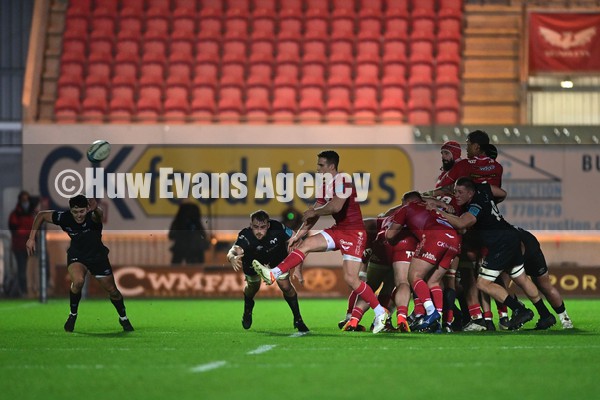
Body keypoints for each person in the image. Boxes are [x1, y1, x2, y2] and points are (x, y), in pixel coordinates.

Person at [252, 150, 390, 334]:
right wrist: (298, 235)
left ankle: (380, 312)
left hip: (354, 234)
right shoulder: (325, 186)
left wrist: (315, 212)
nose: (318, 169)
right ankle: (273, 274)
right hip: (339, 230)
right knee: (305, 245)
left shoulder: (343, 181)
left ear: (332, 166)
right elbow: (314, 214)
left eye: (321, 165)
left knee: (351, 279)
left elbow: (336, 206)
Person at [433, 177, 556, 330]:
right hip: (511, 237)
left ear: (471, 193)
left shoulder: (474, 205)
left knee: (482, 283)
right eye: (455, 191)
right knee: (521, 278)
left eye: (460, 192)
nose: (456, 195)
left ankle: (520, 310)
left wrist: (437, 212)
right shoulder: (484, 190)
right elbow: (502, 193)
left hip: (500, 243)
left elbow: (463, 223)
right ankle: (545, 315)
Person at [26, 195, 134, 332]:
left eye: (82, 211)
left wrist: (96, 209)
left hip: (97, 257)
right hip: (77, 255)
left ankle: (123, 317)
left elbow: (98, 214)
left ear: (87, 209)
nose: (79, 215)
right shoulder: (64, 217)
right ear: (70, 210)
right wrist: (31, 238)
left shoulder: (93, 216)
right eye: (75, 212)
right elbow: (41, 215)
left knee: (113, 291)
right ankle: (73, 315)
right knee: (77, 282)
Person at [386, 191, 461, 332]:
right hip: (454, 240)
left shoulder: (406, 208)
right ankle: (437, 321)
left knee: (414, 276)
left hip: (434, 237)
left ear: (405, 202)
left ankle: (431, 311)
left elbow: (390, 235)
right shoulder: (430, 207)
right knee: (434, 281)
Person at [226, 210, 309, 332]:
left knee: (286, 286)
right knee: (253, 287)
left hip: (276, 257)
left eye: (263, 227)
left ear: (268, 225)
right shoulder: (245, 235)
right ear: (251, 225)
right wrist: (231, 257)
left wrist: (298, 268)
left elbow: (297, 241)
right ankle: (248, 309)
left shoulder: (278, 227)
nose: (259, 231)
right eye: (255, 227)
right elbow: (234, 250)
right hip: (252, 260)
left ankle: (298, 319)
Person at [8, 191, 36, 297]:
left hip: (30, 246)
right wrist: (29, 233)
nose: (26, 202)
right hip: (19, 246)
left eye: (27, 200)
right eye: (24, 200)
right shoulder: (15, 214)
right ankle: (22, 291)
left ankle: (30, 290)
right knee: (22, 270)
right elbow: (15, 230)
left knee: (30, 270)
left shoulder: (31, 213)